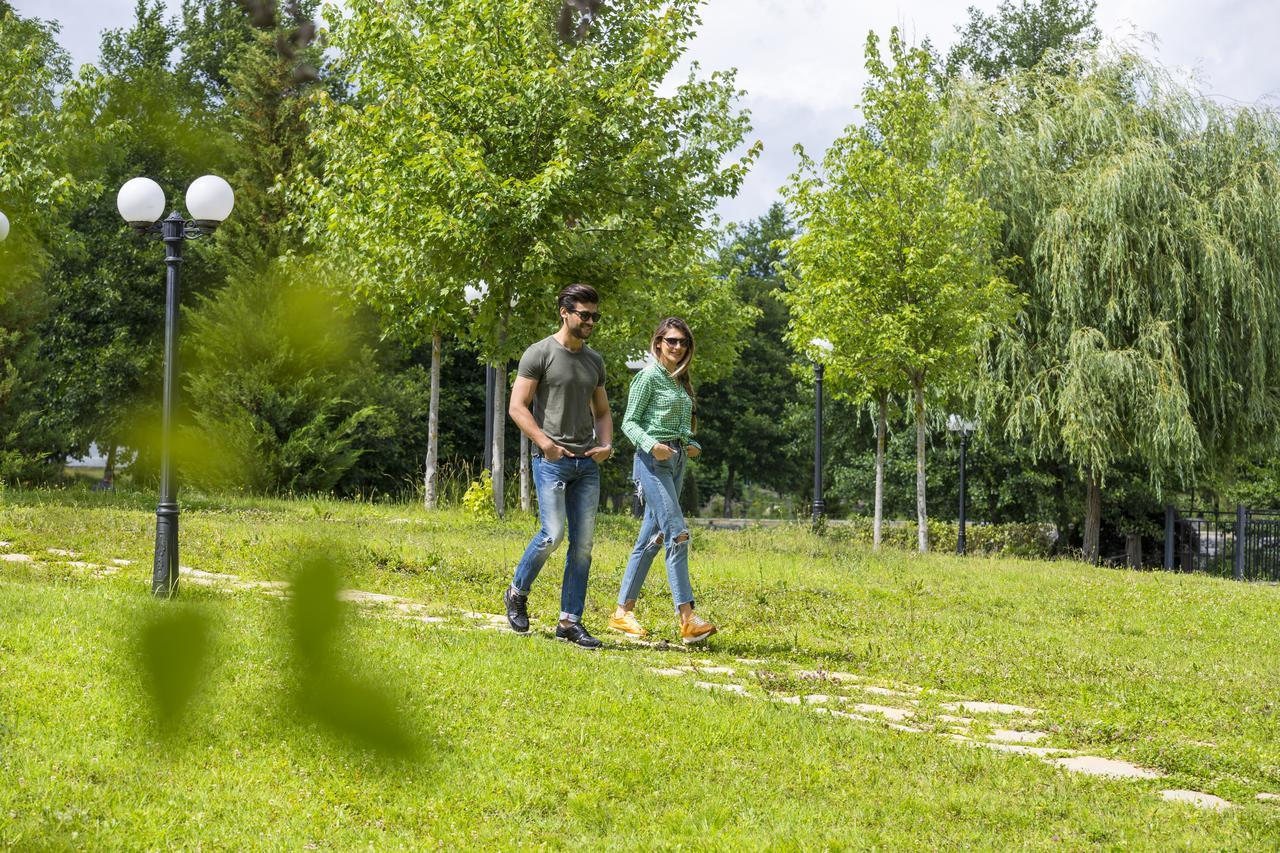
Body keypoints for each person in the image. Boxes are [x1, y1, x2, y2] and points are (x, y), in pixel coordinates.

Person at [504, 283, 614, 648]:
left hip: (586, 464)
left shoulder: (594, 361)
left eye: (595, 316)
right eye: (585, 314)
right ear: (564, 312)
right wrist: (544, 443)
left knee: (582, 546)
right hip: (551, 460)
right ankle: (517, 592)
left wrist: (605, 444)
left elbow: (601, 411)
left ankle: (569, 622)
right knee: (552, 534)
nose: (591, 322)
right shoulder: (539, 353)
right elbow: (517, 407)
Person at [609, 317, 717, 644]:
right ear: (658, 343)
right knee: (678, 534)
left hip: (676, 461)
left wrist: (690, 442)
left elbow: (681, 425)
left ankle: (621, 613)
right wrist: (650, 445)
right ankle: (687, 618)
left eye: (683, 342)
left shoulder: (680, 381)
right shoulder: (647, 377)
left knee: (653, 538)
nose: (677, 346)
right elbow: (629, 423)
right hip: (652, 461)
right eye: (671, 340)